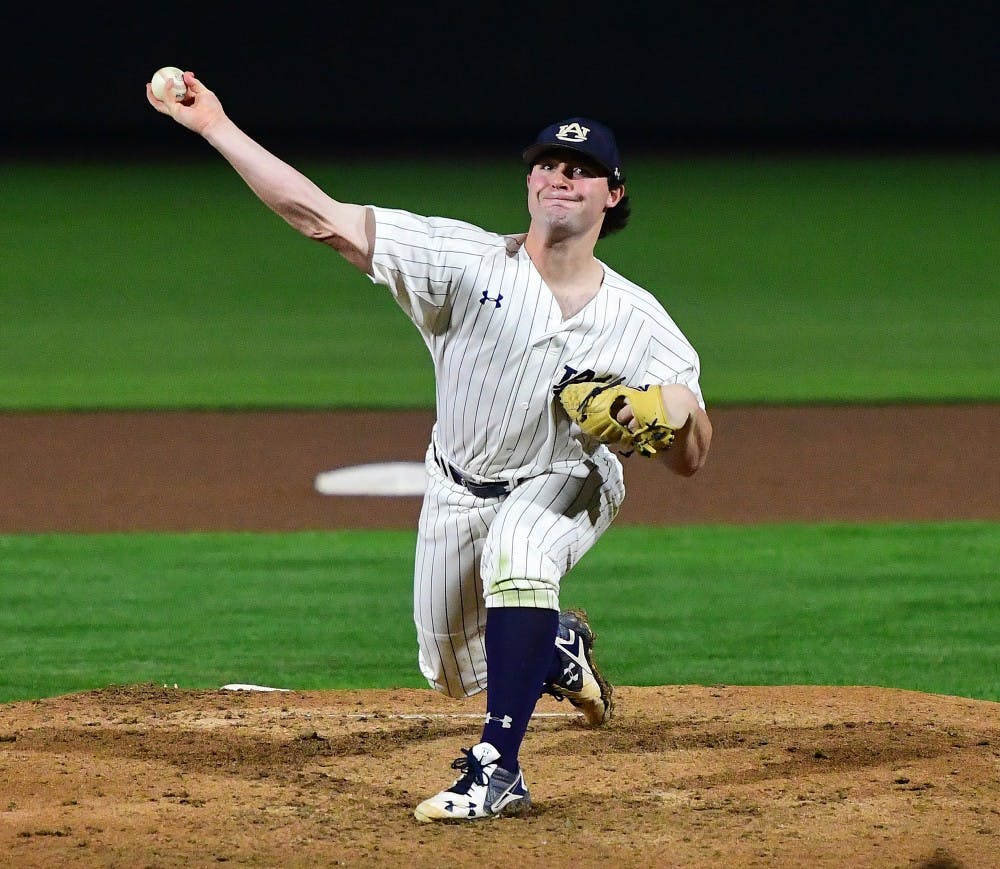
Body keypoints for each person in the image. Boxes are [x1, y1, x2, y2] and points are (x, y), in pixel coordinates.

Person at [147, 71, 713, 823]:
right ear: (530, 182)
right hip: (456, 486)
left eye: (581, 170)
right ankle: (553, 646)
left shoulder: (640, 320)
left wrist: (666, 419)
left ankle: (498, 769)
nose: (559, 178)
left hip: (566, 478)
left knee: (519, 553)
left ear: (613, 194)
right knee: (450, 670)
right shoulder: (464, 262)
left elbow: (691, 453)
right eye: (548, 164)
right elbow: (321, 218)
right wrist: (215, 126)